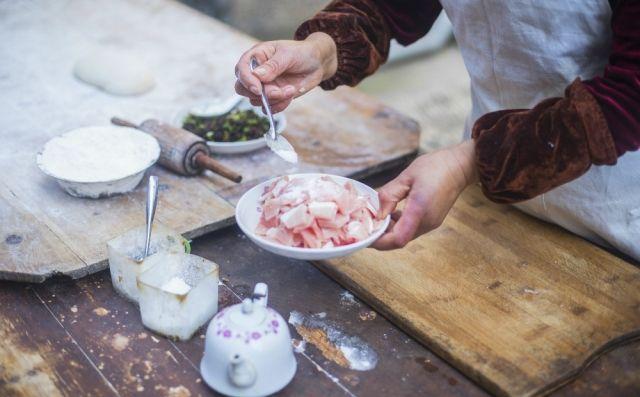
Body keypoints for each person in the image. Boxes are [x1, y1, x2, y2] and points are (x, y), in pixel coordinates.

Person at [234, 1, 640, 259]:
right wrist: (322, 50)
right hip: (494, 196)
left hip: (613, 208)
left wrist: (469, 162)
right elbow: (392, 8)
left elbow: (632, 92)